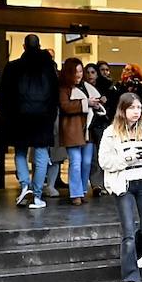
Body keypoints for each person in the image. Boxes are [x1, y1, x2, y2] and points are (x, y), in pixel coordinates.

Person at [98, 92, 142, 282]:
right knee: (127, 231)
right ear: (123, 110)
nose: (136, 112)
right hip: (123, 184)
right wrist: (127, 159)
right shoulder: (110, 132)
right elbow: (104, 161)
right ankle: (130, 276)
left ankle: (138, 252)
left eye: (139, 108)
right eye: (132, 108)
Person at [0, 34, 59, 210]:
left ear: (24, 47)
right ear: (39, 46)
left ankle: (25, 185)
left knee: (20, 151)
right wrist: (51, 115)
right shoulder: (49, 68)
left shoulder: (13, 67)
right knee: (41, 154)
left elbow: (4, 96)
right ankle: (37, 195)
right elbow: (55, 95)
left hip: (19, 117)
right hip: (43, 118)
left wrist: (6, 117)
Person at [57, 58, 95, 206]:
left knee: (86, 162)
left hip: (88, 129)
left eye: (80, 71)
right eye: (75, 71)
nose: (79, 74)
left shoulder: (86, 87)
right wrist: (86, 103)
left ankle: (82, 191)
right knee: (76, 162)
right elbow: (65, 106)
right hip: (72, 129)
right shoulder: (64, 89)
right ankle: (76, 194)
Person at [82, 63, 111, 193]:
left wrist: (104, 102)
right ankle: (96, 184)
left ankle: (103, 183)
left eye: (93, 72)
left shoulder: (105, 87)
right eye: (87, 72)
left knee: (103, 154)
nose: (90, 75)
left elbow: (112, 106)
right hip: (88, 126)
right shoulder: (81, 88)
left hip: (101, 125)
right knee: (91, 158)